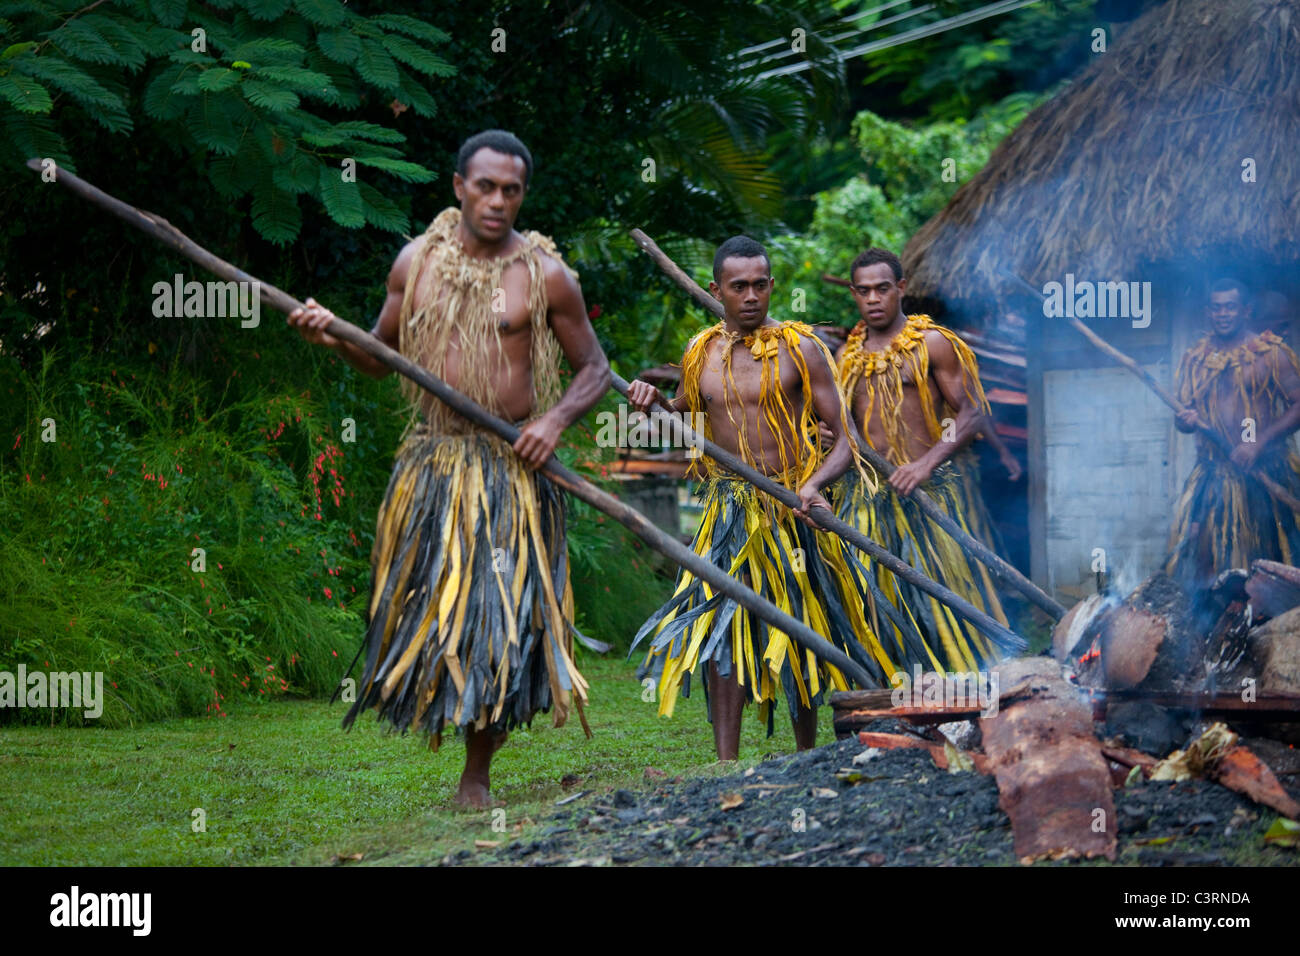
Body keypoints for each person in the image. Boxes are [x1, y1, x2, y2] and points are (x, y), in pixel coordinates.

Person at [289, 130, 610, 807]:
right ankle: (439, 720)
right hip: (433, 464)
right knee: (438, 617)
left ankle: (476, 777)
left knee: (498, 617)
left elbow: (595, 369)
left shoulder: (545, 273)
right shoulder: (417, 262)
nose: (498, 202)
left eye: (511, 190)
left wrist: (552, 422)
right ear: (458, 186)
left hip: (508, 472)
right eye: (486, 186)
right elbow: (379, 356)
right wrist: (332, 337)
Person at [626, 236, 895, 761]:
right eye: (738, 286)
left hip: (793, 508)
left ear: (772, 287)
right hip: (728, 515)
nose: (751, 296)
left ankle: (805, 753)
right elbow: (684, 409)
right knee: (720, 630)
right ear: (716, 290)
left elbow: (847, 438)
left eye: (759, 285)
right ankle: (725, 762)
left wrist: (814, 486)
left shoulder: (803, 348)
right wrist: (654, 401)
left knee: (800, 627)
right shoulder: (699, 351)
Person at [834, 248, 1007, 673]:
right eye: (864, 291)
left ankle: (962, 688)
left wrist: (926, 464)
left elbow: (972, 413)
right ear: (854, 295)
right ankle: (887, 698)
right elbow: (846, 432)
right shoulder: (845, 358)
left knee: (945, 600)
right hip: (868, 501)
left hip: (931, 496)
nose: (873, 299)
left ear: (901, 289)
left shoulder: (932, 343)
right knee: (876, 603)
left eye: (882, 289)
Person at [1166, 277, 1300, 590]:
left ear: (1245, 311)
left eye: (1230, 307)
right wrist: (1185, 421)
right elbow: (1182, 419)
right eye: (1216, 308)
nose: (1223, 314)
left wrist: (1257, 443)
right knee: (1205, 563)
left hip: (1264, 473)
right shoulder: (1195, 360)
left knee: (1270, 561)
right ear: (1207, 312)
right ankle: (1213, 630)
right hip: (1213, 477)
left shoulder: (1270, 353)